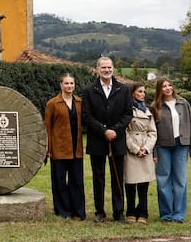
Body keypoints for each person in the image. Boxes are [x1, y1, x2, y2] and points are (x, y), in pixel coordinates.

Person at [82, 56, 133, 223]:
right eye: (103, 67)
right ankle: (99, 212)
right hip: (97, 140)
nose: (107, 70)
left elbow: (128, 114)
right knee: (98, 178)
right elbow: (87, 116)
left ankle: (119, 213)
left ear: (113, 69)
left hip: (117, 140)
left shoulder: (123, 90)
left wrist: (114, 130)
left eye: (109, 67)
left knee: (117, 177)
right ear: (97, 69)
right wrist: (104, 131)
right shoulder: (89, 90)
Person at [151, 77, 191, 223]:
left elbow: (190, 125)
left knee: (180, 180)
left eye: (169, 85)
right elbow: (152, 130)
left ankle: (178, 214)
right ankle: (166, 214)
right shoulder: (155, 106)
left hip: (181, 145)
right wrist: (153, 152)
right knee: (163, 180)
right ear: (159, 89)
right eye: (164, 86)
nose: (167, 88)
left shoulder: (183, 103)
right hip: (162, 146)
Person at [44, 73, 86, 220]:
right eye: (66, 83)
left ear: (74, 85)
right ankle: (63, 211)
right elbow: (47, 127)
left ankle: (77, 212)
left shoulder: (80, 102)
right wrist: (48, 149)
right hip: (59, 149)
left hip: (77, 149)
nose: (69, 86)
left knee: (77, 181)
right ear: (61, 85)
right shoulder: (53, 104)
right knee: (59, 182)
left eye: (71, 83)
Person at [123, 82, 157, 224]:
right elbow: (124, 132)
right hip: (131, 149)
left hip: (145, 149)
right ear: (132, 93)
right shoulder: (126, 109)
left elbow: (153, 132)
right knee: (130, 183)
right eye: (140, 92)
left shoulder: (148, 111)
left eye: (144, 92)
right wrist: (135, 149)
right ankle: (130, 211)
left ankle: (143, 212)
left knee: (144, 184)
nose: (143, 94)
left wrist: (147, 148)